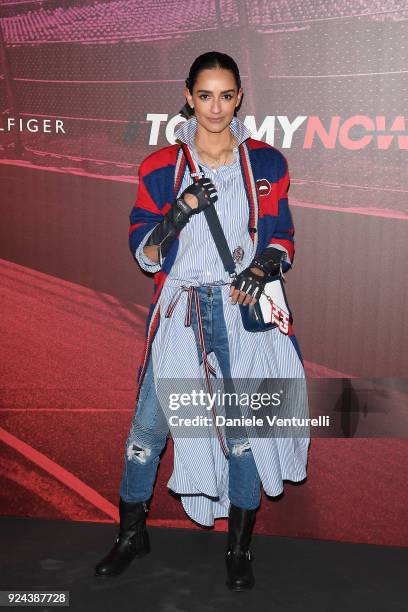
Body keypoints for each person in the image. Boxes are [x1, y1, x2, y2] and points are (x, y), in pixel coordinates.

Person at [95, 51, 310, 591]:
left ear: (239, 97)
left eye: (227, 95)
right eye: (206, 95)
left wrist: (263, 265)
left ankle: (238, 549)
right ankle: (130, 535)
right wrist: (177, 212)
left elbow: (282, 236)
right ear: (189, 95)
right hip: (179, 313)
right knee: (145, 433)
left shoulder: (267, 162)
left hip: (237, 315)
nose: (216, 106)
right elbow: (145, 253)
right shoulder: (158, 168)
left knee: (239, 437)